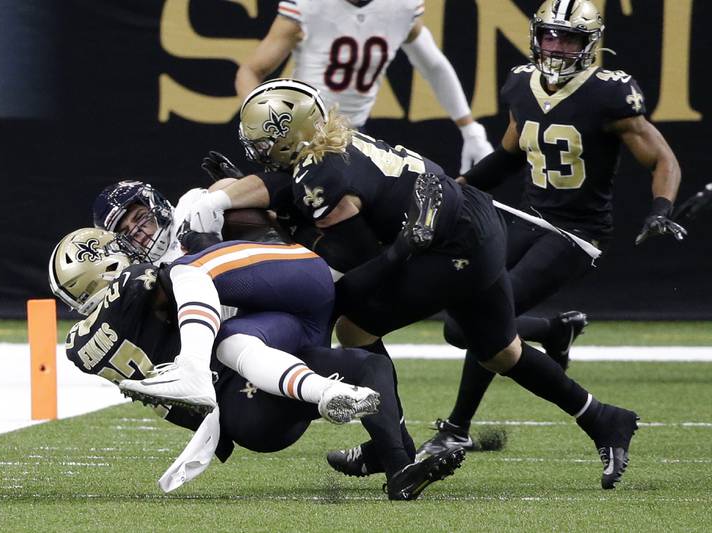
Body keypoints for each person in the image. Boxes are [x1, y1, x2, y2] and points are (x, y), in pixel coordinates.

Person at [186, 76, 640, 490]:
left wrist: (397, 250)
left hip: (446, 249)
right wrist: (239, 194)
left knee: (350, 324)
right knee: (503, 352)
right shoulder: (331, 148)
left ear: (290, 136)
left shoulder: (320, 175)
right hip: (473, 223)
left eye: (265, 143)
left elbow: (357, 260)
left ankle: (392, 446)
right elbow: (290, 189)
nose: (259, 153)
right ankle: (604, 418)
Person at [418, 0, 686, 453]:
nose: (556, 46)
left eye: (569, 38)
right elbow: (507, 156)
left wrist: (661, 209)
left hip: (577, 235)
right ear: (536, 36)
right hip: (528, 218)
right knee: (457, 326)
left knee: (482, 323)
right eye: (549, 35)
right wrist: (454, 186)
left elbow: (662, 158)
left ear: (589, 44)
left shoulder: (609, 94)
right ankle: (552, 330)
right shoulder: (522, 83)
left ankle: (455, 430)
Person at [47, 227, 464, 500]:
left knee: (364, 368)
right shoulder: (131, 289)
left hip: (243, 413)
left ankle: (397, 469)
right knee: (194, 278)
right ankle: (331, 397)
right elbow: (178, 282)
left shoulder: (80, 348)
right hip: (244, 375)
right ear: (101, 265)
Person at [235, 0, 493, 174]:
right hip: (303, 137)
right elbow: (250, 71)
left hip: (354, 137)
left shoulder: (401, 7)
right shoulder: (309, 7)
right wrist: (266, 123)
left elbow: (434, 66)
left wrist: (470, 128)